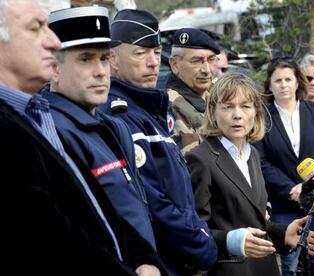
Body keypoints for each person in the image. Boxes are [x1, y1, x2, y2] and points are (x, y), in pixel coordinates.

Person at [0, 0, 163, 275]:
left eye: (103, 58)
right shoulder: (24, 126)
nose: (52, 42)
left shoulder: (36, 116)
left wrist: (144, 258)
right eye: (35, 28)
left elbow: (96, 211)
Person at [98, 9, 217, 275]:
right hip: (161, 261)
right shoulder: (118, 114)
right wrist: (202, 244)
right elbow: (154, 202)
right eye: (140, 53)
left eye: (155, 51)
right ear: (113, 59)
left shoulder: (149, 110)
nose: (153, 62)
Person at [186, 73, 314, 275]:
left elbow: (252, 220)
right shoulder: (200, 159)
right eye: (227, 106)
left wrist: (282, 233)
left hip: (265, 267)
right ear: (212, 112)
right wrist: (231, 242)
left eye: (245, 106)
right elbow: (193, 231)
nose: (237, 114)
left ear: (256, 112)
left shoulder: (252, 154)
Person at [42, 6, 157, 252]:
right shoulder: (50, 133)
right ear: (54, 67)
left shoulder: (115, 127)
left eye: (104, 58)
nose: (100, 72)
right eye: (86, 58)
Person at [253, 57, 314, 276]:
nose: (283, 85)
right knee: (289, 265)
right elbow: (261, 161)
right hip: (283, 202)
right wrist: (292, 189)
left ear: (297, 82)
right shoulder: (263, 116)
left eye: (288, 79)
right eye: (278, 80)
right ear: (270, 85)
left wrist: (307, 185)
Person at [167, 28, 220, 155]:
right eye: (197, 61)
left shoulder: (217, 95)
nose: (206, 70)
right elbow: (193, 164)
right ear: (174, 64)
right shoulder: (171, 107)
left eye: (211, 59)